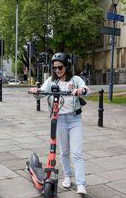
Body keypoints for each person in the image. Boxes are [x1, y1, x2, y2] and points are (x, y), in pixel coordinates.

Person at [29, 52, 90, 195]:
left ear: (67, 67)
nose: (57, 70)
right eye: (55, 68)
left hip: (74, 119)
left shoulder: (75, 79)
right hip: (60, 119)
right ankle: (67, 177)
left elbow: (87, 90)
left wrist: (81, 90)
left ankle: (81, 184)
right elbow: (42, 93)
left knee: (77, 153)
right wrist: (35, 91)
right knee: (64, 152)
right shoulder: (51, 81)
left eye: (60, 67)